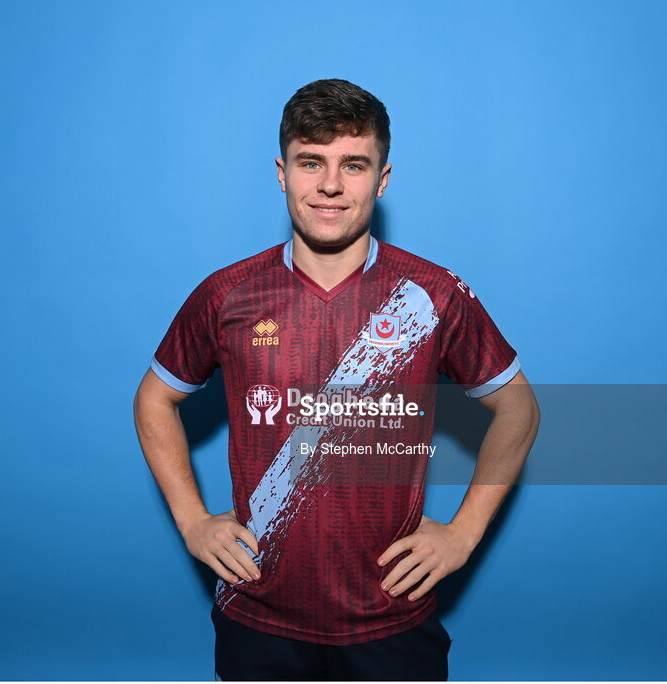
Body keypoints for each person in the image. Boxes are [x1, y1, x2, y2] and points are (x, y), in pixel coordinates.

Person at [133, 78, 541, 681]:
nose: (330, 184)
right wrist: (193, 521)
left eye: (353, 164)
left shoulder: (431, 296)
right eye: (310, 162)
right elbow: (154, 399)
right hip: (258, 615)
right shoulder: (227, 295)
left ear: (382, 179)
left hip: (391, 618)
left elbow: (519, 409)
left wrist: (463, 532)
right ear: (282, 174)